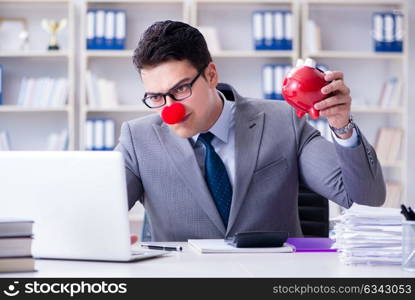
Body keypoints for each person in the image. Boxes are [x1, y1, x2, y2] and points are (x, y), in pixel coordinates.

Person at [115, 20, 385, 242]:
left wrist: (342, 125)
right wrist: (101, 238)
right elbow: (96, 210)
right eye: (156, 97)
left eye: (180, 89)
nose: (169, 109)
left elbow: (364, 200)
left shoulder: (283, 121)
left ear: (211, 75)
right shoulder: (138, 140)